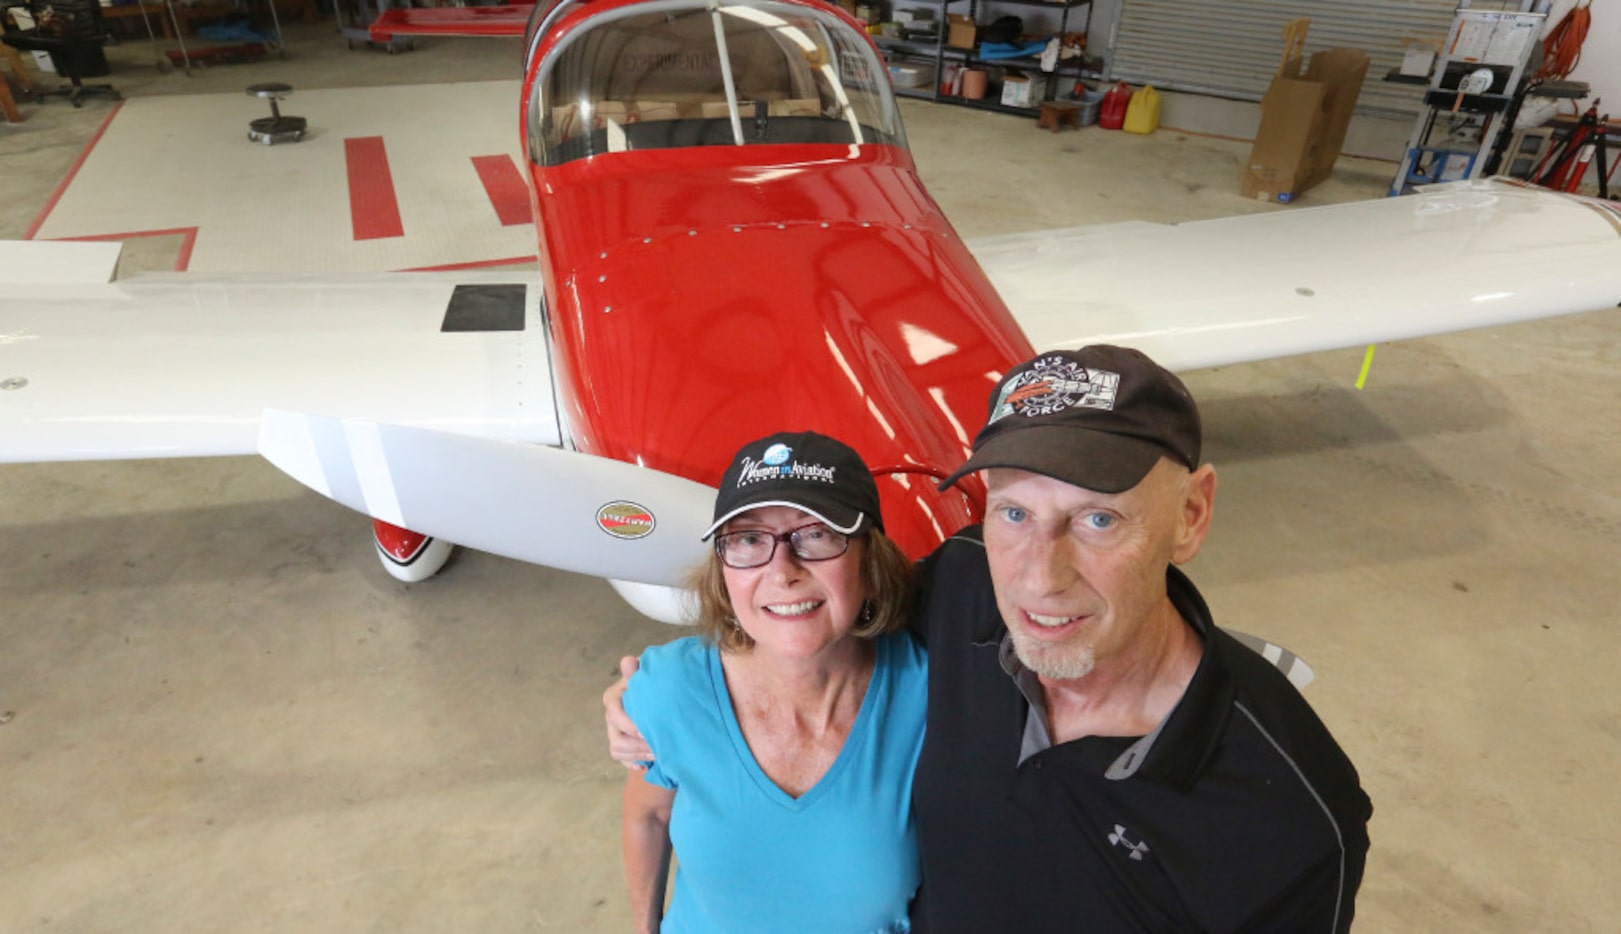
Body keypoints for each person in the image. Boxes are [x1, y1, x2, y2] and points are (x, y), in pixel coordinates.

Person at [609, 346, 1372, 932]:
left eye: (1098, 518)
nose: (1039, 578)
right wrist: (653, 693)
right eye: (1012, 513)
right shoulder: (964, 589)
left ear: (1192, 515)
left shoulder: (1292, 817)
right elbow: (816, 614)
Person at [619, 430, 926, 934]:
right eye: (747, 540)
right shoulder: (669, 689)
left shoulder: (932, 693)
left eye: (817, 535)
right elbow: (648, 818)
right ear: (723, 572)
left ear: (870, 563)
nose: (782, 572)